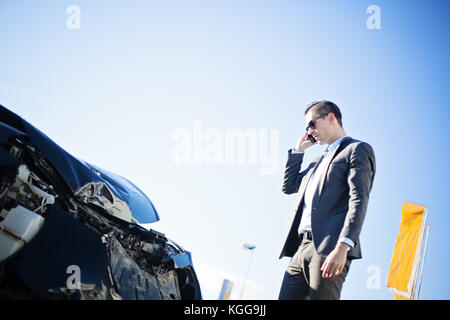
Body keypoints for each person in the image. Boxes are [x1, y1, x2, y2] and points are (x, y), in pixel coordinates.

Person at [278, 100, 376, 300]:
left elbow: (358, 200)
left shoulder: (356, 149)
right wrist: (299, 150)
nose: (309, 130)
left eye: (312, 124)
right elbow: (288, 187)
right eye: (307, 127)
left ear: (331, 118)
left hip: (330, 246)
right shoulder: (317, 162)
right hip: (301, 248)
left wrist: (343, 247)